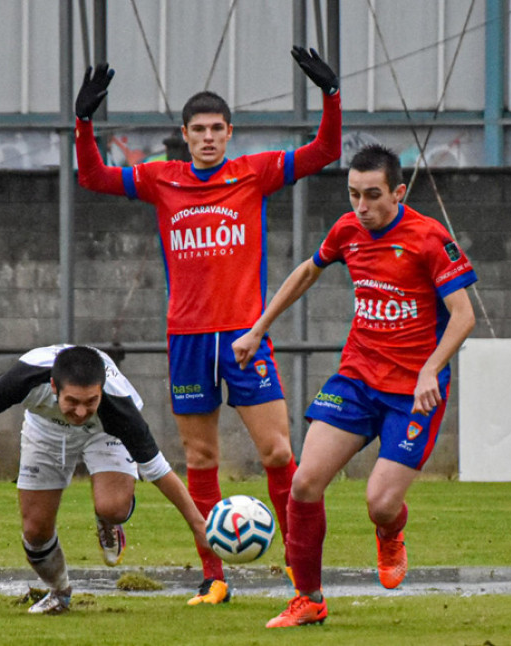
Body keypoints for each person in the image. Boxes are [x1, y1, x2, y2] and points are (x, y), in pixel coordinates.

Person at [73, 47, 342, 605]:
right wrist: (83, 123)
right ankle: (214, 575)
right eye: (199, 129)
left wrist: (331, 97)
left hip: (245, 337)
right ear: (185, 133)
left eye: (218, 128)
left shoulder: (253, 173)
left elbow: (326, 151)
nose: (209, 137)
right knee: (200, 459)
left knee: (276, 452)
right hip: (189, 341)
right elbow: (94, 177)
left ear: (229, 132)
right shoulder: (160, 179)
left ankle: (298, 567)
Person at [232, 144, 477, 628]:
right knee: (303, 483)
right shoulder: (348, 230)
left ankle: (391, 531)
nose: (361, 207)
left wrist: (431, 367)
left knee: (380, 503)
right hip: (358, 378)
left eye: (371, 195)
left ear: (398, 193)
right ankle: (308, 599)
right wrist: (259, 327)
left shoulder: (429, 239)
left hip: (413, 392)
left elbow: (464, 316)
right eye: (353, 195)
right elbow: (307, 272)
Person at [0, 344, 210, 615]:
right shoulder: (25, 378)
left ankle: (108, 520)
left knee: (113, 508)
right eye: (72, 401)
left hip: (103, 432)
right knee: (35, 531)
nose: (79, 412)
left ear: (101, 390)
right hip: (45, 430)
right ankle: (59, 592)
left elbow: (159, 471)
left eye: (90, 401)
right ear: (53, 386)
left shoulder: (118, 407)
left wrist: (197, 526)